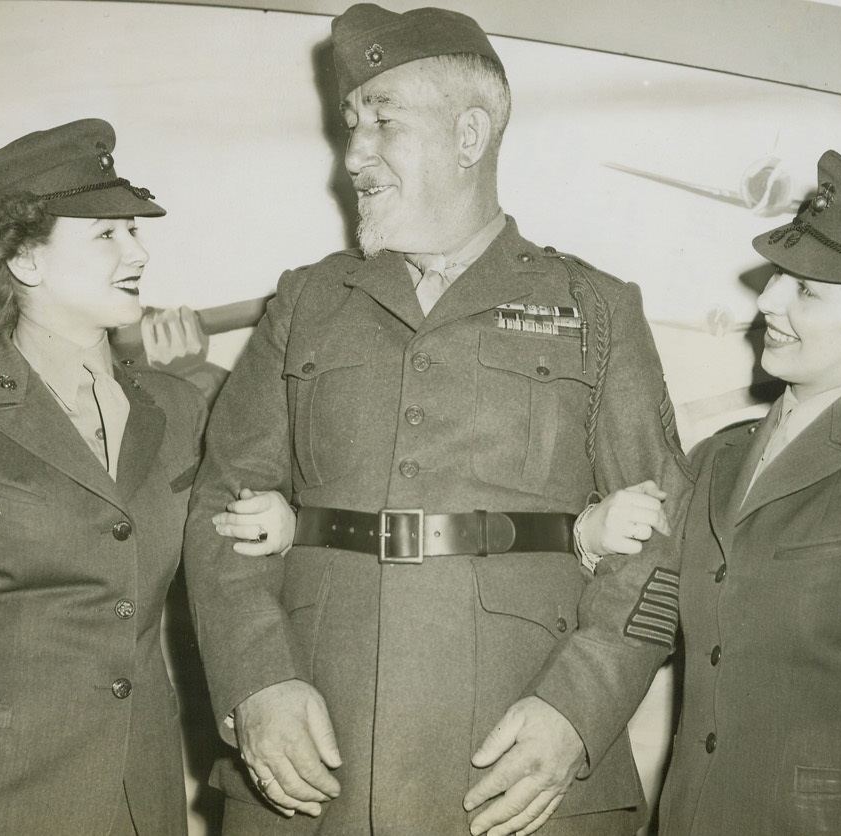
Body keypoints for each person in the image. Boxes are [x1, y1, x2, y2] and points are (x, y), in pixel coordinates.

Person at [183, 4, 690, 835]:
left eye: (384, 121)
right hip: (314, 779)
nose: (354, 155)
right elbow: (221, 508)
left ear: (469, 135)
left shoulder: (593, 308)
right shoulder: (307, 302)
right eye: (350, 126)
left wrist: (575, 712)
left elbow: (663, 536)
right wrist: (256, 682)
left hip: (511, 785)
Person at [583, 149, 841, 833]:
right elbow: (641, 621)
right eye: (779, 277)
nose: (766, 301)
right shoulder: (717, 460)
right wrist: (588, 536)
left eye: (809, 290)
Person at [0, 119, 205, 835]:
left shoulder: (178, 405)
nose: (138, 251)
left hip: (146, 794)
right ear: (25, 262)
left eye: (134, 231)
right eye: (106, 235)